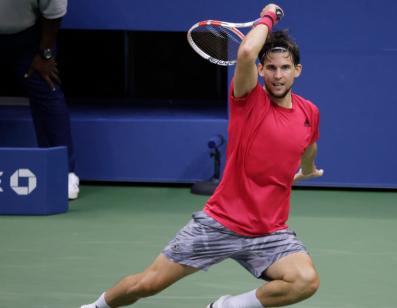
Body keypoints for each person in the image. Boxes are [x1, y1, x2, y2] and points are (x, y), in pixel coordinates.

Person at [80, 3, 323, 308]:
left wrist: (308, 169)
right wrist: (269, 16)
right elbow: (247, 52)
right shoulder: (248, 99)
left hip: (269, 231)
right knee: (148, 283)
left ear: (297, 70)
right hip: (220, 223)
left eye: (285, 67)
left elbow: (309, 144)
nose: (277, 75)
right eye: (270, 67)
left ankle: (226, 307)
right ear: (260, 70)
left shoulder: (309, 112)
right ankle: (95, 307)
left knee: (305, 281)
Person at [0, 0, 79, 200]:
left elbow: (53, 13)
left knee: (46, 85)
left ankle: (62, 172)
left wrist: (45, 54)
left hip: (28, 37)